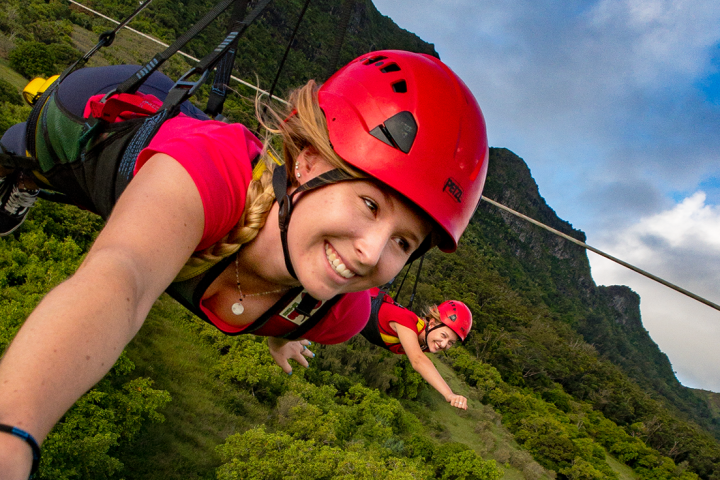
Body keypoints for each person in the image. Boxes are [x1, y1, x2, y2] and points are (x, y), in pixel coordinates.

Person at [0, 49, 489, 478]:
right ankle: (17, 174)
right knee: (29, 153)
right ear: (310, 161)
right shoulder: (215, 171)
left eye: (403, 243)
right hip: (98, 118)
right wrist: (12, 433)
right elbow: (120, 277)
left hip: (163, 159)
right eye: (369, 204)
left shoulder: (340, 316)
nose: (371, 252)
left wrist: (285, 331)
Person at [360, 288, 473, 410]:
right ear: (432, 323)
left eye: (451, 342)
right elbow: (418, 360)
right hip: (351, 298)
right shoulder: (406, 322)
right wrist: (449, 394)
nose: (444, 344)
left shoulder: (427, 342)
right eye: (443, 335)